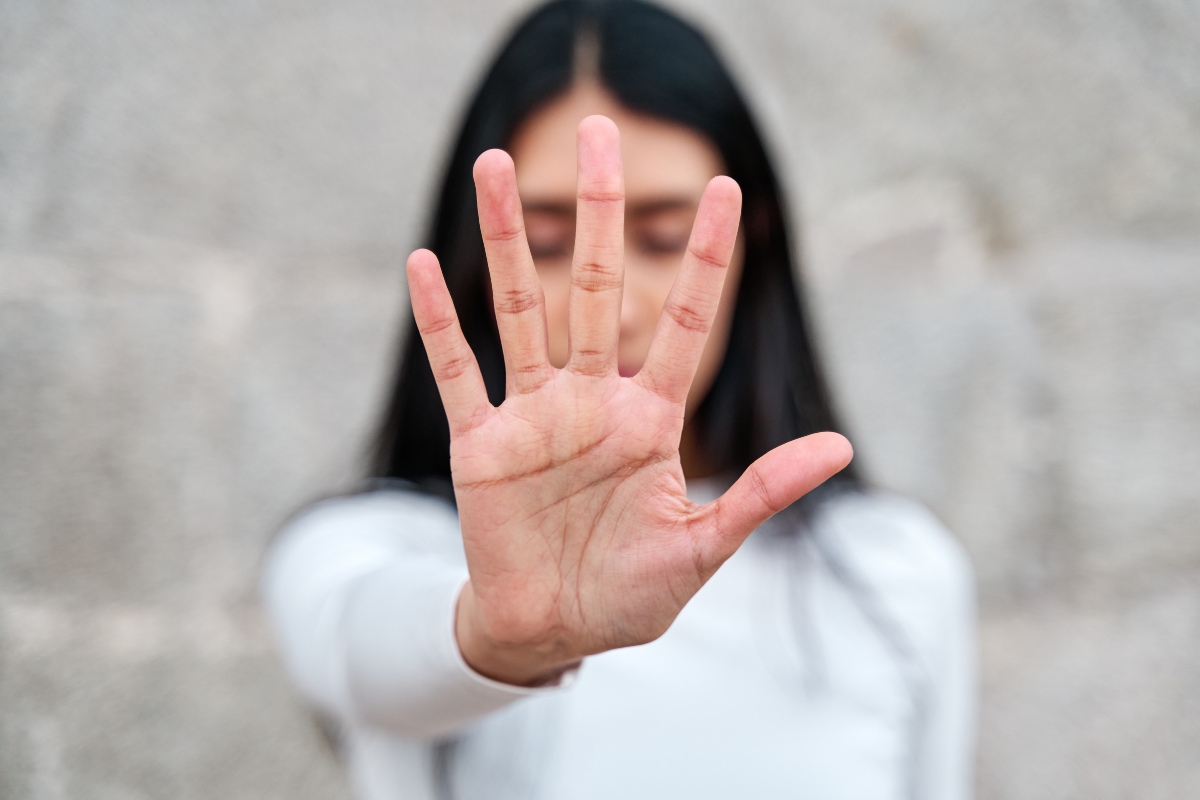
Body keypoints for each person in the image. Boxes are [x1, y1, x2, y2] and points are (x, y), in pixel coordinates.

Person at [262, 2, 976, 799]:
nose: (615, 300)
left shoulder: (897, 573)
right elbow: (375, 652)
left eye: (668, 237)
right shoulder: (366, 554)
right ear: (478, 249)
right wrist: (503, 635)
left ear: (756, 241)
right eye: (546, 241)